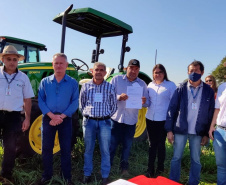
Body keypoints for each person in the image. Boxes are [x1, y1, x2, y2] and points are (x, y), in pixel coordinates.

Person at [165, 60, 215, 185]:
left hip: (198, 131)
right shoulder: (181, 88)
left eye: (196, 70)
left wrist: (205, 134)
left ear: (202, 72)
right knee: (176, 157)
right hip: (181, 129)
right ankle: (173, 181)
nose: (194, 73)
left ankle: (193, 182)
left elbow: (210, 114)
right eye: (191, 71)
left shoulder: (208, 91)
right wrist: (169, 130)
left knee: (196, 159)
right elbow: (172, 109)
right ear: (187, 72)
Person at [38, 53, 79, 185]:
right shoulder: (45, 82)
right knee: (46, 148)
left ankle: (67, 177)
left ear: (66, 65)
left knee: (66, 149)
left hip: (65, 119)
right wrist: (51, 115)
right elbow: (40, 100)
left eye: (61, 63)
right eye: (56, 63)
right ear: (52, 65)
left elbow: (75, 102)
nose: (59, 65)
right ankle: (47, 175)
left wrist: (61, 116)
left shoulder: (72, 83)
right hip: (48, 119)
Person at [0, 45, 34, 182]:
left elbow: (27, 99)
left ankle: (6, 175)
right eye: (9, 59)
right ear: (3, 59)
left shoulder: (23, 78)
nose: (12, 62)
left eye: (15, 59)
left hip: (13, 116)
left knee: (10, 147)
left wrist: (27, 118)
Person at [110, 59, 149, 176]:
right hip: (116, 119)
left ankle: (124, 168)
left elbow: (147, 103)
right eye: (131, 68)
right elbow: (108, 96)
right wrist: (118, 97)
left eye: (136, 69)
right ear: (127, 68)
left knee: (127, 146)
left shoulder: (142, 84)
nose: (133, 71)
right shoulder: (116, 80)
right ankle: (107, 167)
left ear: (139, 70)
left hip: (131, 121)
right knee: (111, 145)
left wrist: (143, 101)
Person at [80, 62, 117, 185]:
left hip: (105, 122)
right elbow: (81, 104)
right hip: (89, 122)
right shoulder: (85, 86)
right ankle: (87, 174)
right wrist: (88, 114)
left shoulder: (110, 87)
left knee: (105, 150)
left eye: (102, 70)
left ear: (105, 73)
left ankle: (105, 176)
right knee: (88, 149)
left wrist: (106, 116)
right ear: (92, 71)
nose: (99, 72)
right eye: (97, 70)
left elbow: (114, 106)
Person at [146, 64, 176, 177]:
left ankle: (160, 169)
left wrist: (171, 122)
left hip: (163, 120)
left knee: (160, 145)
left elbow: (174, 105)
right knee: (151, 145)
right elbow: (147, 102)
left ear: (164, 73)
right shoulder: (149, 85)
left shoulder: (170, 85)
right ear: (153, 74)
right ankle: (150, 169)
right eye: (156, 72)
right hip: (150, 119)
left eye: (160, 72)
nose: (158, 74)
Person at [208, 63, 226, 185]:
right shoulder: (222, 87)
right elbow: (217, 109)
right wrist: (211, 127)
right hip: (220, 130)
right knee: (221, 166)